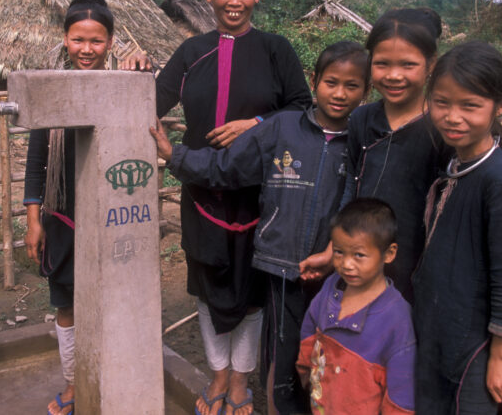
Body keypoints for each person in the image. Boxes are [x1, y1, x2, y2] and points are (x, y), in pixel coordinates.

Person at [152, 41, 369, 414]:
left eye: (352, 86)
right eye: (331, 82)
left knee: (330, 357)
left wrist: (339, 253)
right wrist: (175, 155)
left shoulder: (363, 141)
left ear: (367, 91)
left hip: (337, 271)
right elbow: (226, 167)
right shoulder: (282, 128)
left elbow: (359, 203)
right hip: (281, 266)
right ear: (314, 80)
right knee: (282, 362)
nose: (340, 93)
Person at [155, 0, 312, 415]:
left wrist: (257, 125)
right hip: (201, 191)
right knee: (207, 284)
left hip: (260, 196)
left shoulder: (275, 50)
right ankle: (218, 374)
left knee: (251, 291)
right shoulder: (190, 52)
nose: (234, 0)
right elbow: (150, 105)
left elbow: (303, 109)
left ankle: (240, 382)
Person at [24, 0, 143, 415]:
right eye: (78, 40)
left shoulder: (123, 86)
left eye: (96, 40)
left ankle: (109, 376)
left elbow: (150, 104)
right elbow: (36, 161)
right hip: (62, 216)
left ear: (111, 42)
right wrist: (33, 219)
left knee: (112, 299)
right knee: (66, 303)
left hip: (110, 215)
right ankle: (75, 382)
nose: (87, 49)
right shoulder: (49, 91)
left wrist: (141, 68)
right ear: (65, 39)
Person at [414, 41, 502, 414]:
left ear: (500, 106)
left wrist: (500, 356)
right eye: (442, 102)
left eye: (470, 105)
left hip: (477, 348)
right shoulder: (455, 165)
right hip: (442, 330)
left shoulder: (498, 181)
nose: (453, 116)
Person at [341, 7, 450, 303]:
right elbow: (351, 185)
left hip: (415, 272)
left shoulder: (442, 130)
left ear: (430, 65)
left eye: (407, 64)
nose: (393, 75)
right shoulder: (361, 120)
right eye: (382, 64)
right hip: (360, 266)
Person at [296, 198, 416, 415]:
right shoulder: (332, 286)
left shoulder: (397, 319)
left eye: (359, 255)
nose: (346, 264)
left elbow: (402, 391)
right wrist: (305, 368)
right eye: (339, 252)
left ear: (389, 253)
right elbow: (310, 325)